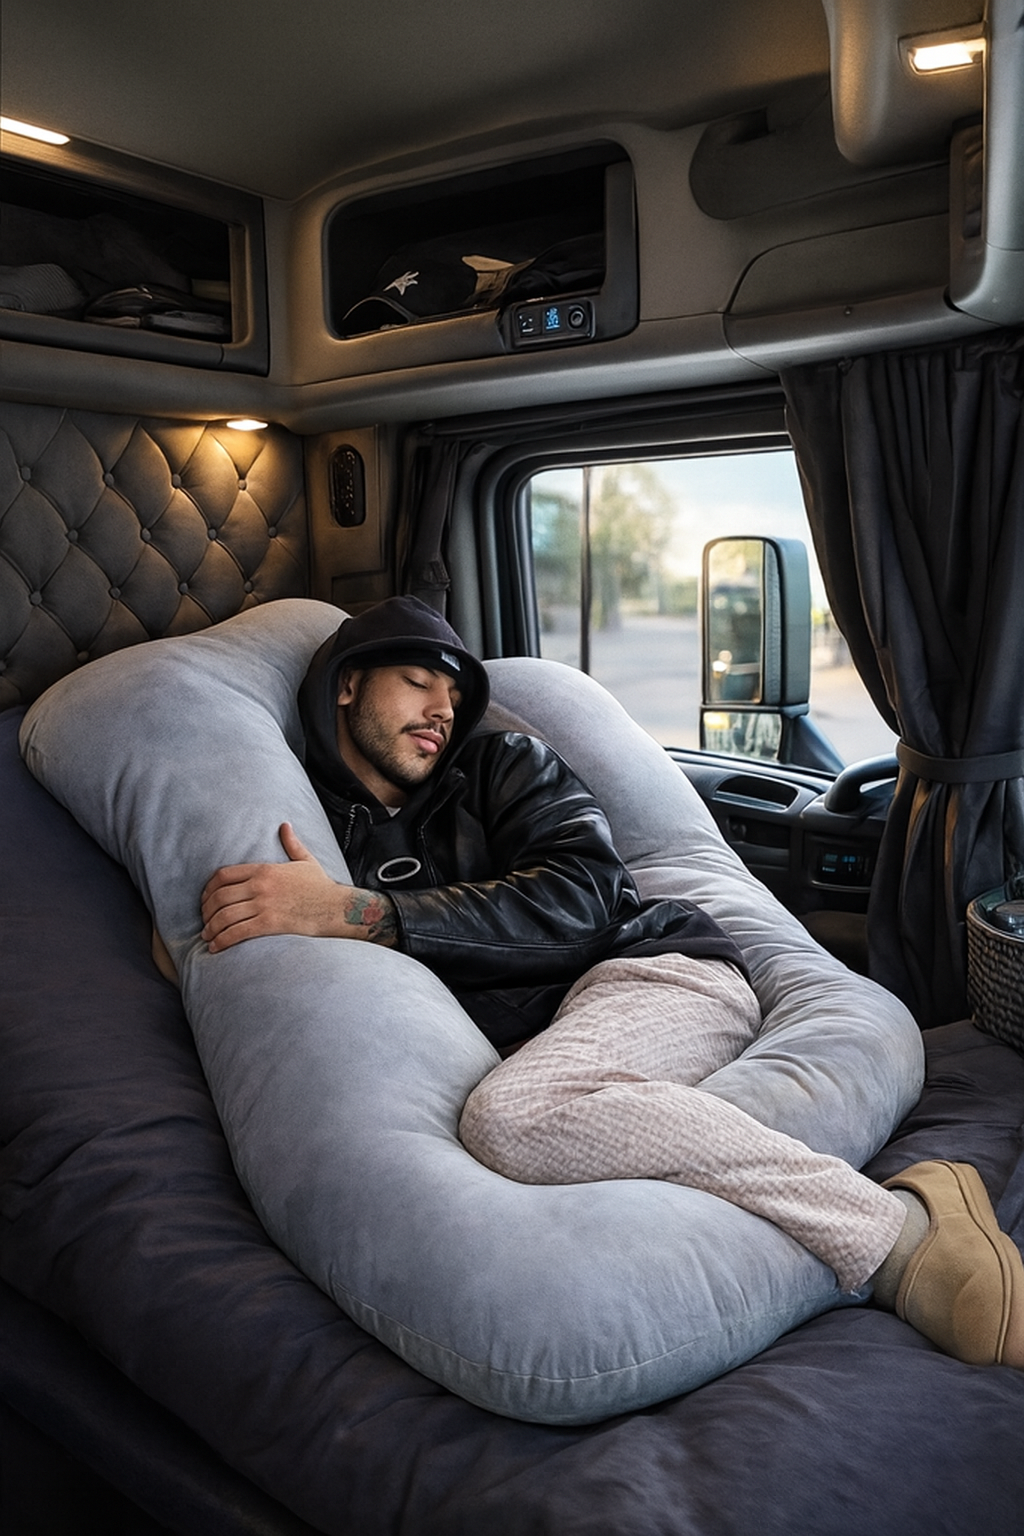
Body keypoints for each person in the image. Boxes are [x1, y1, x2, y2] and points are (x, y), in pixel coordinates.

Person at [199, 595, 1024, 1370]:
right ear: (348, 685)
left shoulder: (500, 764)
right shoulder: (313, 822)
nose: (442, 709)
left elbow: (588, 894)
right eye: (417, 682)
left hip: (655, 973)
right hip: (558, 1037)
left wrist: (365, 912)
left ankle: (903, 1232)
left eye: (453, 691)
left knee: (511, 1122)